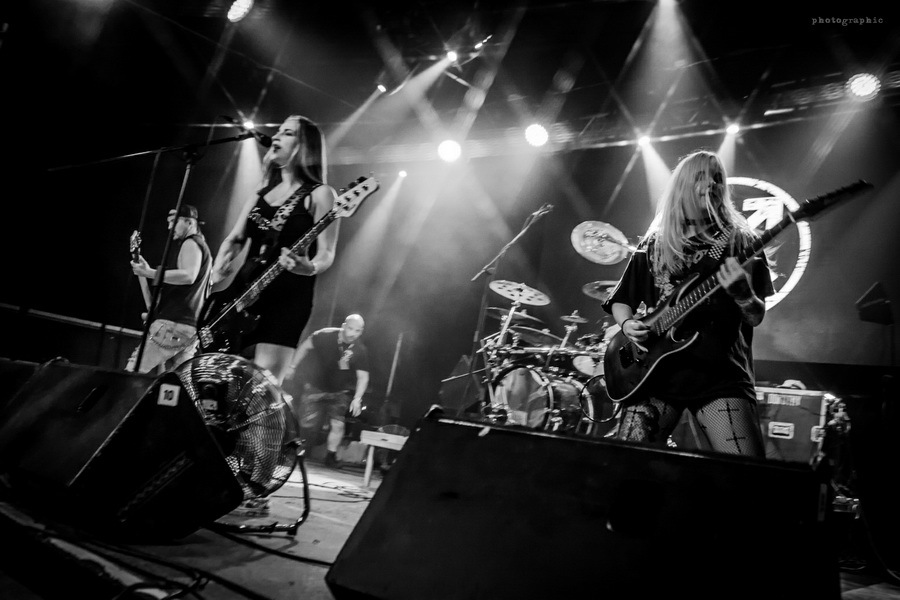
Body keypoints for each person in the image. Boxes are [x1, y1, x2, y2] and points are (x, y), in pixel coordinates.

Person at [601, 150, 773, 456]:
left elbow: (755, 316)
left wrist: (743, 294)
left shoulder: (742, 241)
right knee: (625, 465)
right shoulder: (655, 243)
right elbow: (621, 300)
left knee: (746, 475)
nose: (712, 184)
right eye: (702, 177)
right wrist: (627, 325)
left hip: (719, 375)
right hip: (654, 374)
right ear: (682, 185)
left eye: (718, 178)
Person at [209, 115, 338, 385]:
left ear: (305, 146)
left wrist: (309, 267)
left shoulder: (320, 194)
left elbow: (327, 253)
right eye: (278, 131)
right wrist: (219, 266)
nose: (276, 136)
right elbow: (235, 238)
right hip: (243, 292)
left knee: (260, 388)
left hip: (286, 300)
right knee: (216, 381)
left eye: (288, 133)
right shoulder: (261, 193)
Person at [127, 204, 211, 373]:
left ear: (189, 222)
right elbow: (153, 307)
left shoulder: (191, 242)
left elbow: (189, 275)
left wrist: (150, 272)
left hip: (173, 326)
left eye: (174, 221)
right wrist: (143, 274)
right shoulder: (203, 249)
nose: (169, 227)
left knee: (132, 373)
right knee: (176, 385)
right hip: (189, 330)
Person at [287, 314, 370, 468]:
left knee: (338, 425)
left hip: (339, 392)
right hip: (315, 387)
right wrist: (292, 367)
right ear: (344, 326)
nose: (352, 333)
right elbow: (304, 347)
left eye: (357, 331)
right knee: (306, 424)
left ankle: (331, 457)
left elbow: (363, 377)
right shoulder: (324, 335)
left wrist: (357, 398)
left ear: (361, 331)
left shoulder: (360, 350)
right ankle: (296, 452)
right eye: (350, 328)